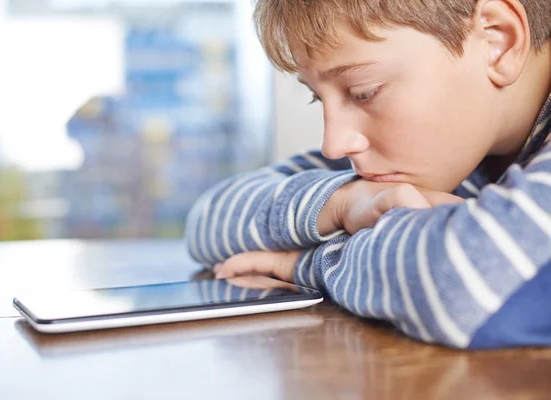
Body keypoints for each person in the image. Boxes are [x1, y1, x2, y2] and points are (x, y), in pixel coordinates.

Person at [185, 0, 551, 349]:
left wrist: (305, 263)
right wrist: (342, 204)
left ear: (498, 40)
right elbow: (210, 217)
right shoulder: (443, 154)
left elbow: (466, 285)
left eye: (363, 93)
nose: (334, 144)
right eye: (317, 98)